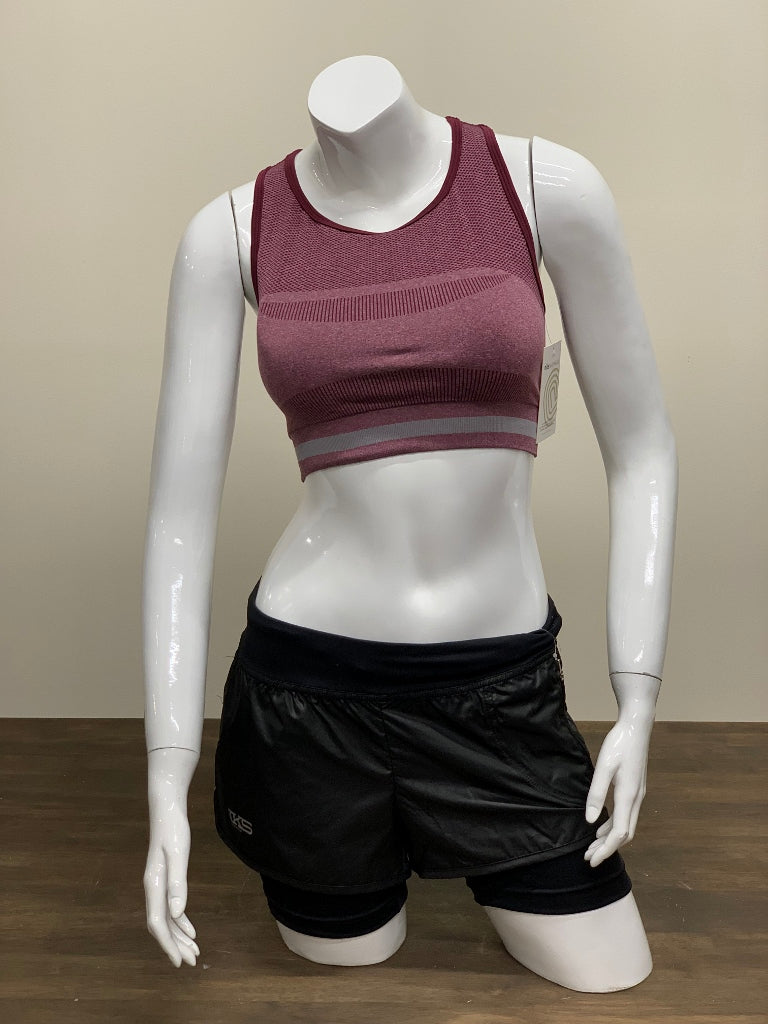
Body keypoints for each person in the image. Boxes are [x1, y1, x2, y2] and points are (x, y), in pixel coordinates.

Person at [142, 54, 678, 993]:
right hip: (307, 692)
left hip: (495, 685)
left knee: (610, 975)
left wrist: (637, 696)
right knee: (352, 960)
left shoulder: (539, 185)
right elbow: (179, 523)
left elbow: (643, 451)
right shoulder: (231, 231)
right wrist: (166, 773)